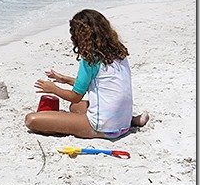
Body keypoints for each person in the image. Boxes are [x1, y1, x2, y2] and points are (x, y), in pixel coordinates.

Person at [24, 9, 149, 139]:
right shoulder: (118, 53)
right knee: (75, 107)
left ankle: (94, 127)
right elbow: (100, 84)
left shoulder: (90, 60)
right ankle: (133, 120)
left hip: (104, 128)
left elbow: (75, 96)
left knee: (31, 119)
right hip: (123, 123)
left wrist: (54, 89)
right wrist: (64, 79)